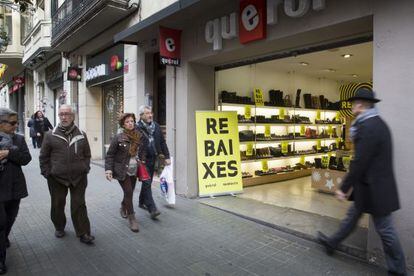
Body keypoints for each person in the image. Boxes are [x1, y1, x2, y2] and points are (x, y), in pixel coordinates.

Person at [317, 88, 406, 276]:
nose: (351, 107)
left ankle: (399, 270)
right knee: (352, 217)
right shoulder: (374, 123)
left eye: (352, 104)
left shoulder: (369, 127)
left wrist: (344, 187)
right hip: (370, 186)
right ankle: (332, 243)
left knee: (385, 230)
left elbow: (360, 161)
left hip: (376, 188)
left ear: (359, 105)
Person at [39, 105, 95, 245]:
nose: (63, 117)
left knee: (79, 204)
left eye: (67, 114)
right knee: (57, 204)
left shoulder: (81, 134)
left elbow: (87, 155)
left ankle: (84, 232)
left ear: (73, 116)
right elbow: (43, 157)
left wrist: (85, 168)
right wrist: (48, 173)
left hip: (79, 177)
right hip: (56, 178)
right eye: (61, 114)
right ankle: (59, 226)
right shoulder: (50, 135)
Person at [0, 108, 32, 274]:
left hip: (15, 187)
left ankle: (4, 237)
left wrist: (8, 152)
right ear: (1, 124)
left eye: (16, 123)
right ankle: (1, 260)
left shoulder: (19, 139)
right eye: (12, 123)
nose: (15, 126)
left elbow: (26, 159)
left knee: (10, 218)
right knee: (0, 222)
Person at [105, 113, 146, 232]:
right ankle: (132, 217)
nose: (130, 123)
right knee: (128, 191)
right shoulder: (118, 137)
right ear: (123, 124)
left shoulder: (139, 136)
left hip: (134, 169)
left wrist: (142, 160)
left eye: (132, 121)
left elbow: (143, 150)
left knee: (130, 192)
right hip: (122, 170)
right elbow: (110, 155)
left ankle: (124, 205)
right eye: (127, 122)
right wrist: (108, 170)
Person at [136, 105, 171, 219]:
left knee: (148, 182)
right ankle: (152, 209)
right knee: (146, 183)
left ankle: (141, 201)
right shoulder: (136, 128)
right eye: (147, 113)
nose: (150, 115)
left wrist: (167, 156)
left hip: (153, 158)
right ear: (141, 116)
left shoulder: (156, 126)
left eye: (151, 113)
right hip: (142, 160)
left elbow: (162, 142)